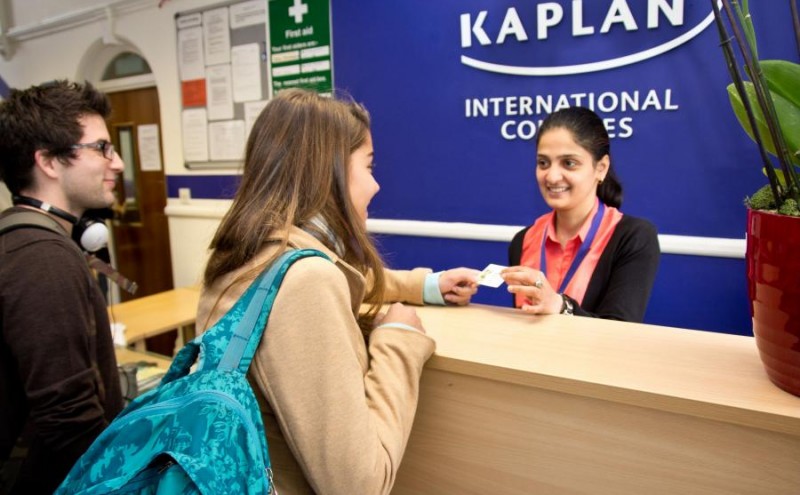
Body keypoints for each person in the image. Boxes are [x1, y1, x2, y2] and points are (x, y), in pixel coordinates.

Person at [196, 88, 478, 494]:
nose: (376, 185)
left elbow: (344, 275)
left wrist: (425, 285)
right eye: (369, 165)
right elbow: (359, 485)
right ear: (329, 172)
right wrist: (398, 339)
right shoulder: (307, 281)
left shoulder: (249, 250)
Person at [0, 80, 125, 494]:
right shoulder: (43, 258)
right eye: (102, 148)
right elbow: (67, 418)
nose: (118, 163)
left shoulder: (27, 240)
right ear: (49, 162)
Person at [503, 106, 660, 322]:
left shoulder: (633, 237)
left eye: (569, 163)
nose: (552, 176)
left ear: (601, 168)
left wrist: (561, 306)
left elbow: (620, 329)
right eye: (543, 163)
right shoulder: (523, 240)